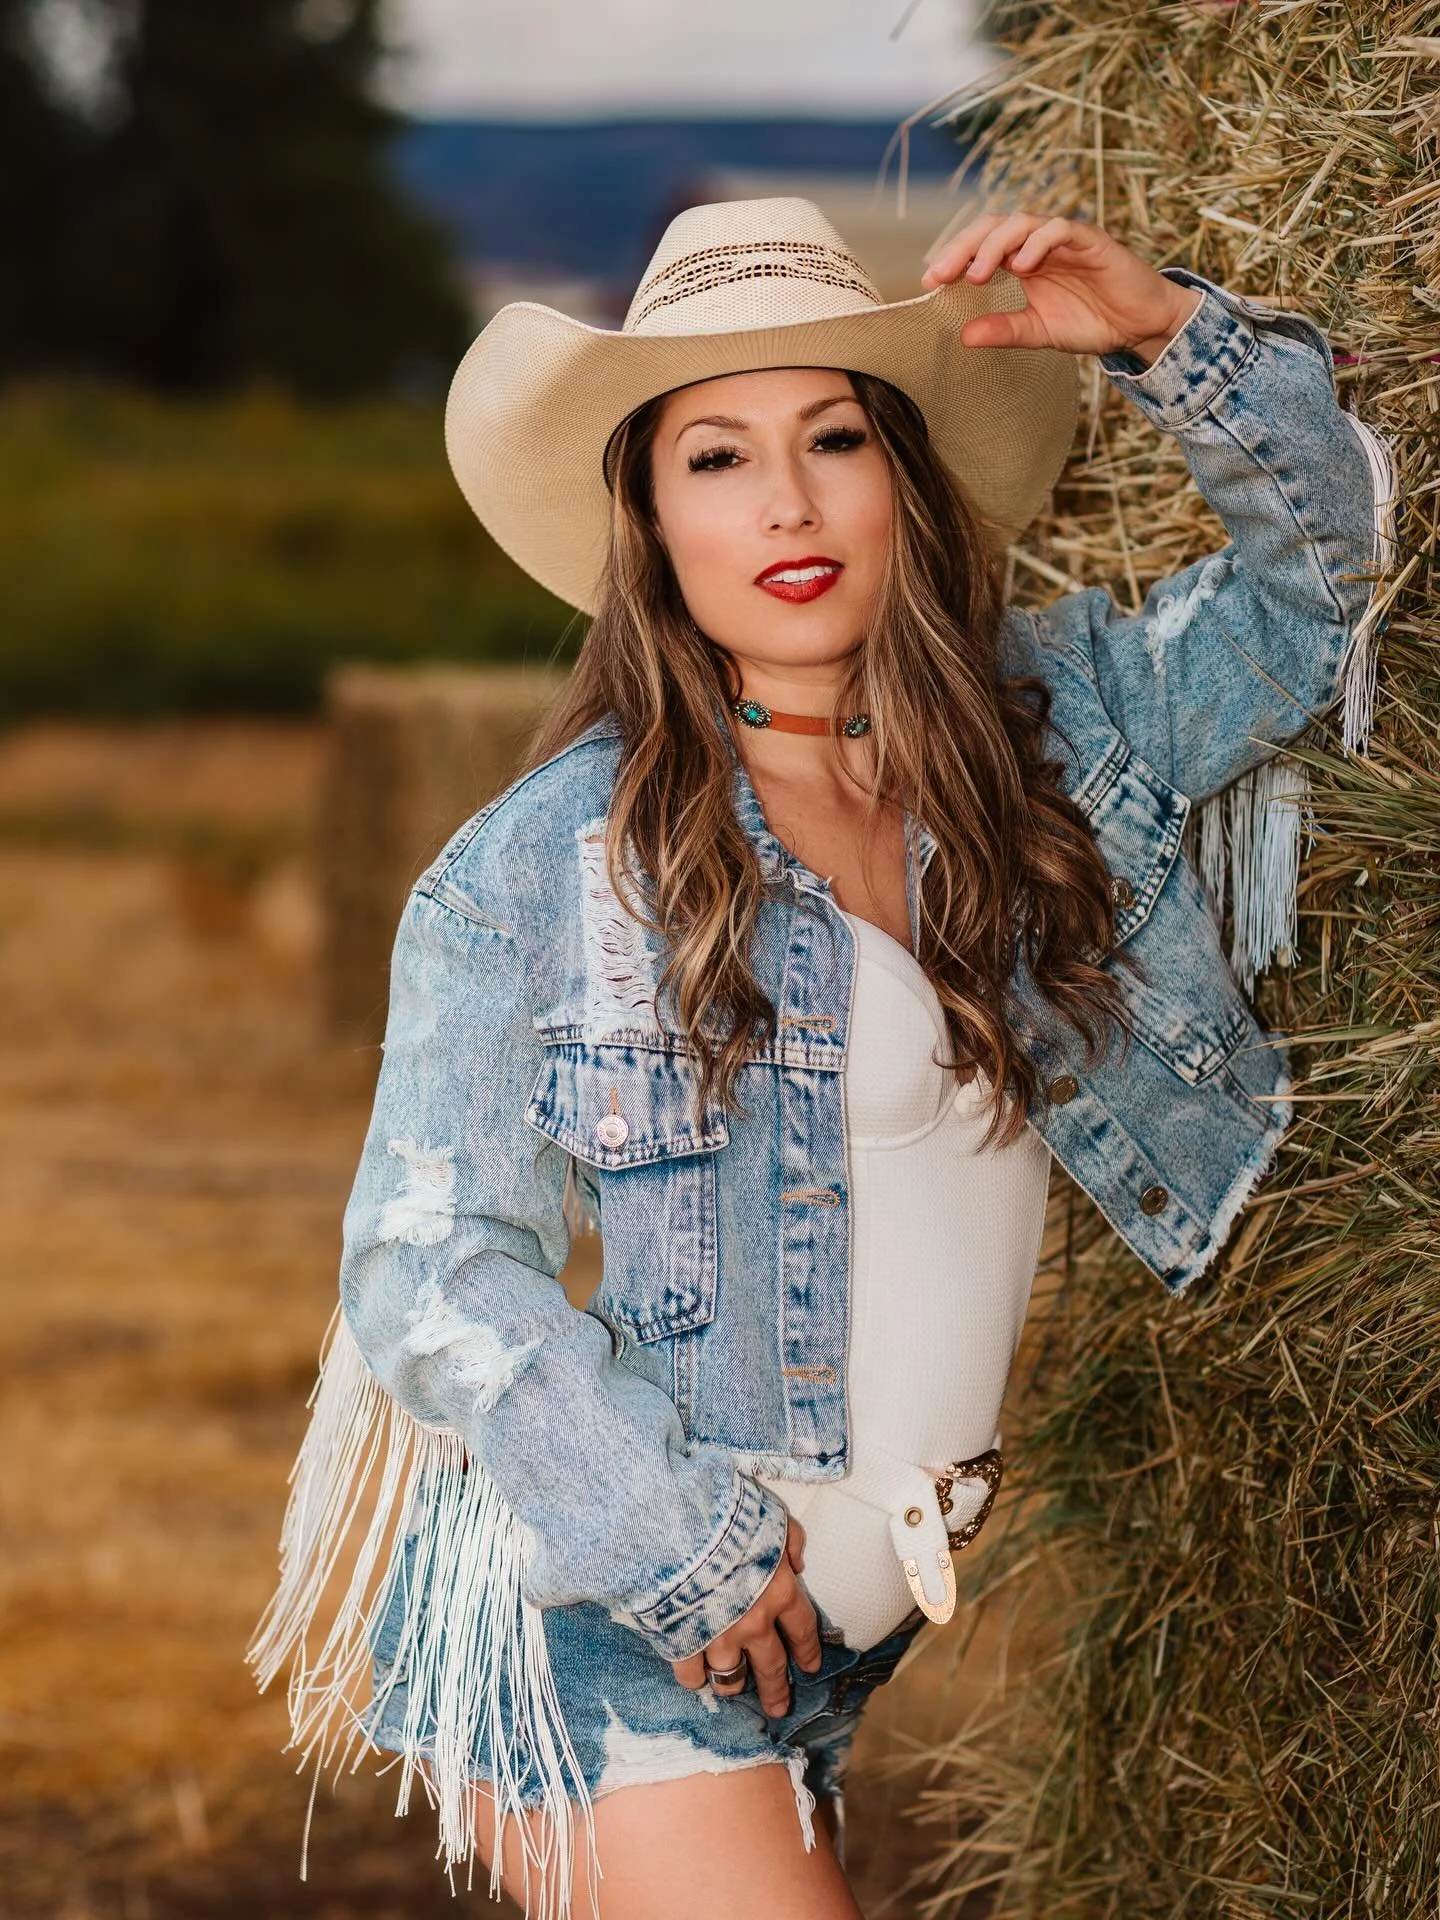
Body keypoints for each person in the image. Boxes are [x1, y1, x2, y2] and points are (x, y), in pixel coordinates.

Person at [248, 200, 1395, 1920]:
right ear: (647, 517)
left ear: (903, 481)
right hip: (640, 1638)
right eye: (716, 456)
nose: (785, 503)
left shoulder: (1054, 736)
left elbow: (1323, 595)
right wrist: (685, 1551)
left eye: (834, 437)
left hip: (831, 1649)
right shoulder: (548, 869)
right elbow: (426, 1267)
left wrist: (1165, 334)